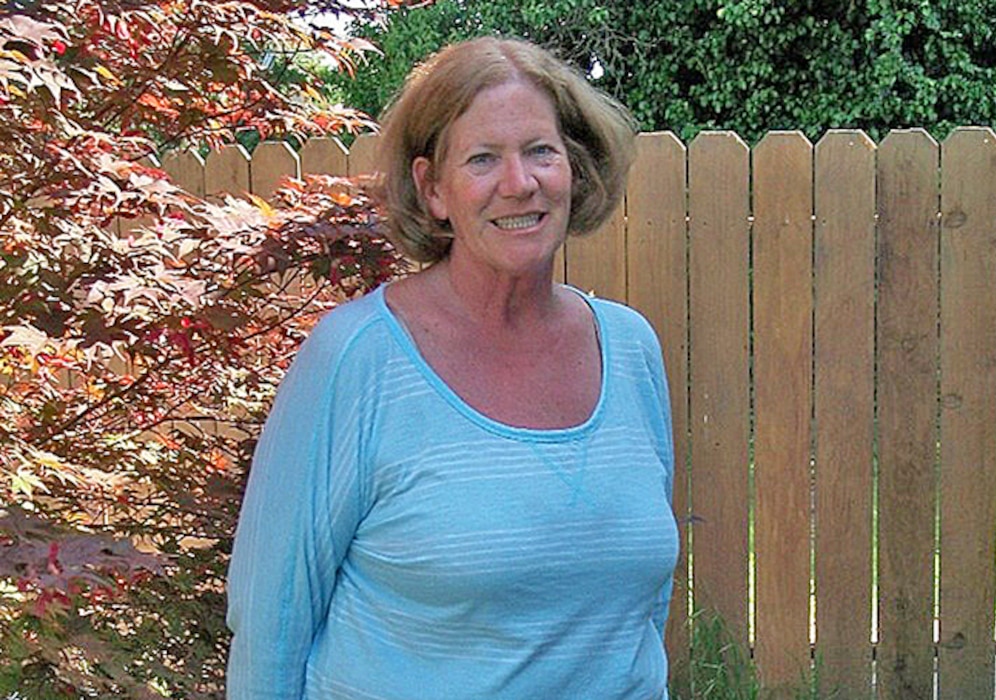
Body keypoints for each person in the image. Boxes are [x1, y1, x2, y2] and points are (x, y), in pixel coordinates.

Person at [225, 37, 679, 700]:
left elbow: (637, 615)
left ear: (574, 168)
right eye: (483, 159)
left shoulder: (630, 349)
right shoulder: (357, 360)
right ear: (432, 188)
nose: (518, 183)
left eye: (540, 152)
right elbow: (272, 623)